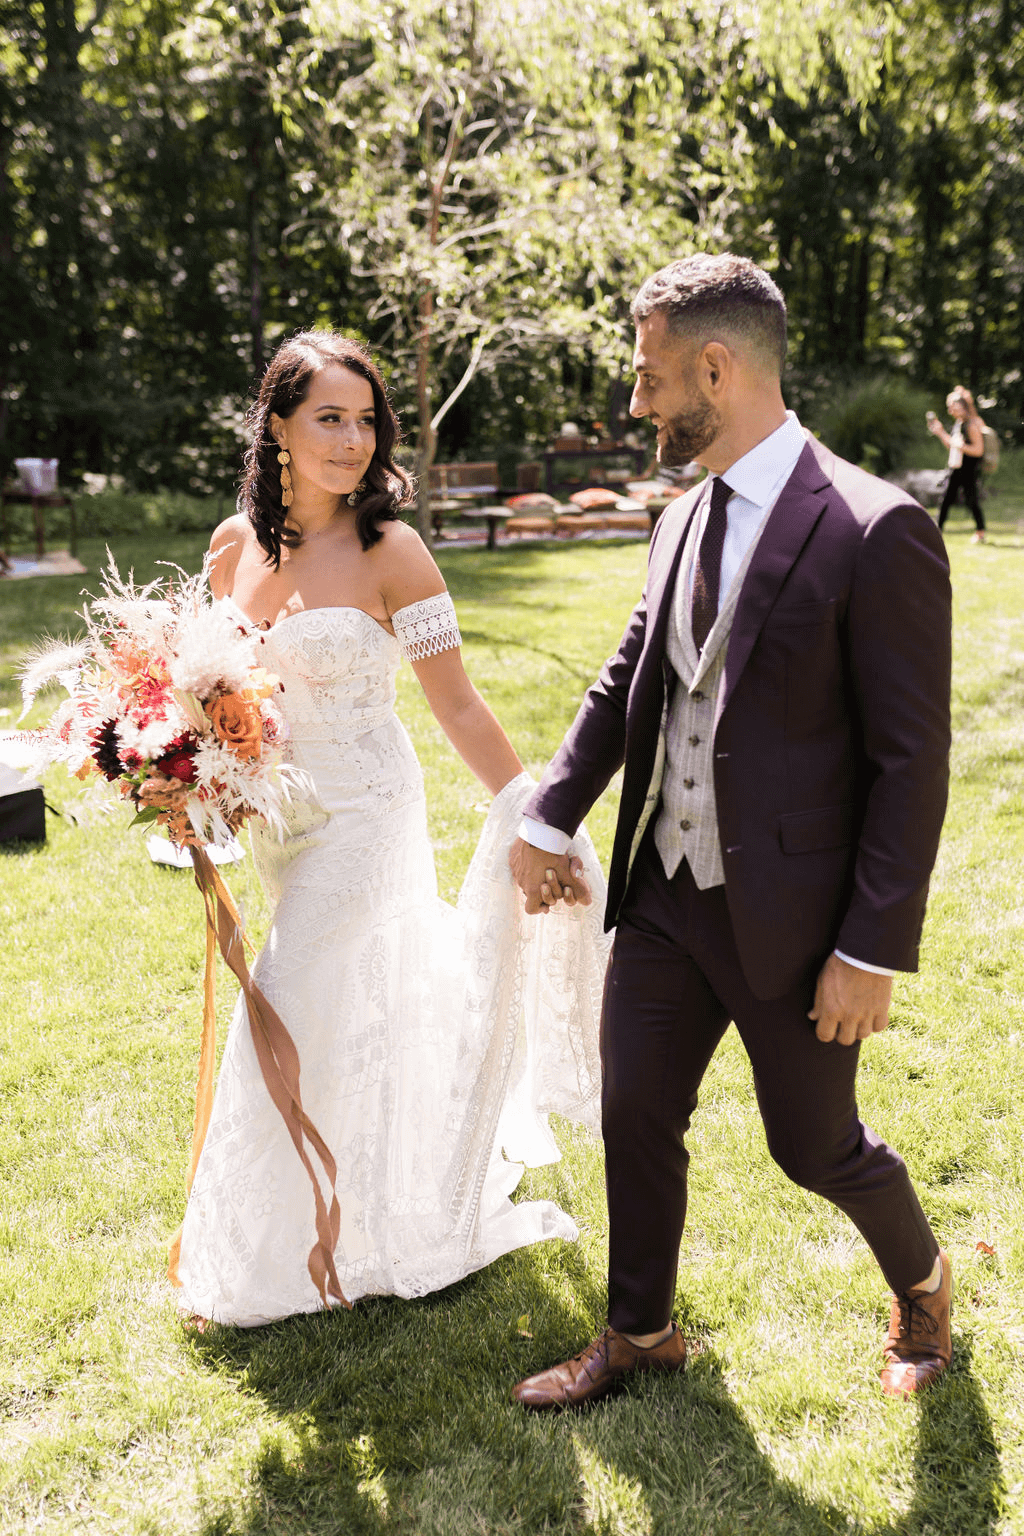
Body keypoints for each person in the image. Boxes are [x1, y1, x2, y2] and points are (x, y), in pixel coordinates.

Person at [509, 254, 953, 1408]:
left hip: (798, 922)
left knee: (814, 1148)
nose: (639, 403)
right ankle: (641, 1331)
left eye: (652, 379)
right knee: (635, 1110)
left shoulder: (874, 527)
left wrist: (870, 950)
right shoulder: (677, 518)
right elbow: (628, 681)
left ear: (717, 366)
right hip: (665, 891)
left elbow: (912, 764)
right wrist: (550, 811)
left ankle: (924, 1281)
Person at [174, 331, 607, 1326]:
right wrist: (186, 769)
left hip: (367, 815)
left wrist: (535, 814)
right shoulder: (231, 547)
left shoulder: (392, 550)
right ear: (277, 425)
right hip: (282, 819)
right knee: (340, 1005)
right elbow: (220, 690)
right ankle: (341, 1209)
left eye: (367, 420)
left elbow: (455, 704)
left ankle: (315, 1246)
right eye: (330, 416)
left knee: (294, 994)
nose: (353, 439)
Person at [930, 386, 986, 542]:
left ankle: (980, 533)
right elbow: (952, 446)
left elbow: (978, 450)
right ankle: (936, 532)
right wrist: (941, 433)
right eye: (949, 407)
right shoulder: (958, 423)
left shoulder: (971, 425)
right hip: (955, 468)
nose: (950, 410)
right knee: (946, 499)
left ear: (962, 407)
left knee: (971, 501)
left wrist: (961, 446)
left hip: (968, 470)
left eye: (953, 406)